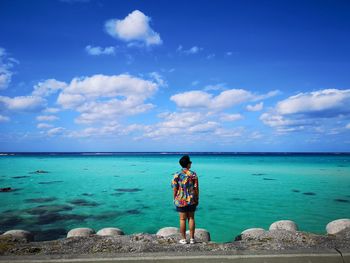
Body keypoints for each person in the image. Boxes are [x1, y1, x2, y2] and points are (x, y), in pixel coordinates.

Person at [171, 155, 199, 244]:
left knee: (182, 219)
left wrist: (174, 198)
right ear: (187, 164)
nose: (191, 163)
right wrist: (197, 198)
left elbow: (175, 188)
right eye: (190, 162)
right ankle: (192, 239)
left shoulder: (177, 174)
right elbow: (196, 188)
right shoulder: (193, 174)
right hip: (191, 199)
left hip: (180, 199)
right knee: (191, 218)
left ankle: (183, 239)